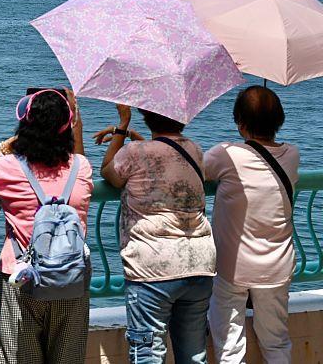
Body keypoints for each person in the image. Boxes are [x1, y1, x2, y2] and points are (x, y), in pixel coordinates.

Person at [99, 105, 216, 364]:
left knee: (148, 355)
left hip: (153, 267)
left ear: (147, 116)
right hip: (199, 264)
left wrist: (122, 126)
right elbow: (165, 155)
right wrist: (134, 136)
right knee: (194, 355)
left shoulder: (133, 153)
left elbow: (108, 171)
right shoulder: (194, 150)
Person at [0, 88, 93, 364]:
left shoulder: (7, 168)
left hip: (22, 277)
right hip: (73, 278)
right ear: (67, 126)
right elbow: (77, 156)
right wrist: (75, 121)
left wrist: (3, 149)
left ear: (25, 125)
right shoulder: (82, 167)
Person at [205, 86, 298, 364]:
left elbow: (196, 170)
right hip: (277, 266)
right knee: (277, 342)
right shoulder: (292, 155)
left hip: (232, 267)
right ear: (278, 121)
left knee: (230, 347)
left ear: (240, 122)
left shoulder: (225, 154)